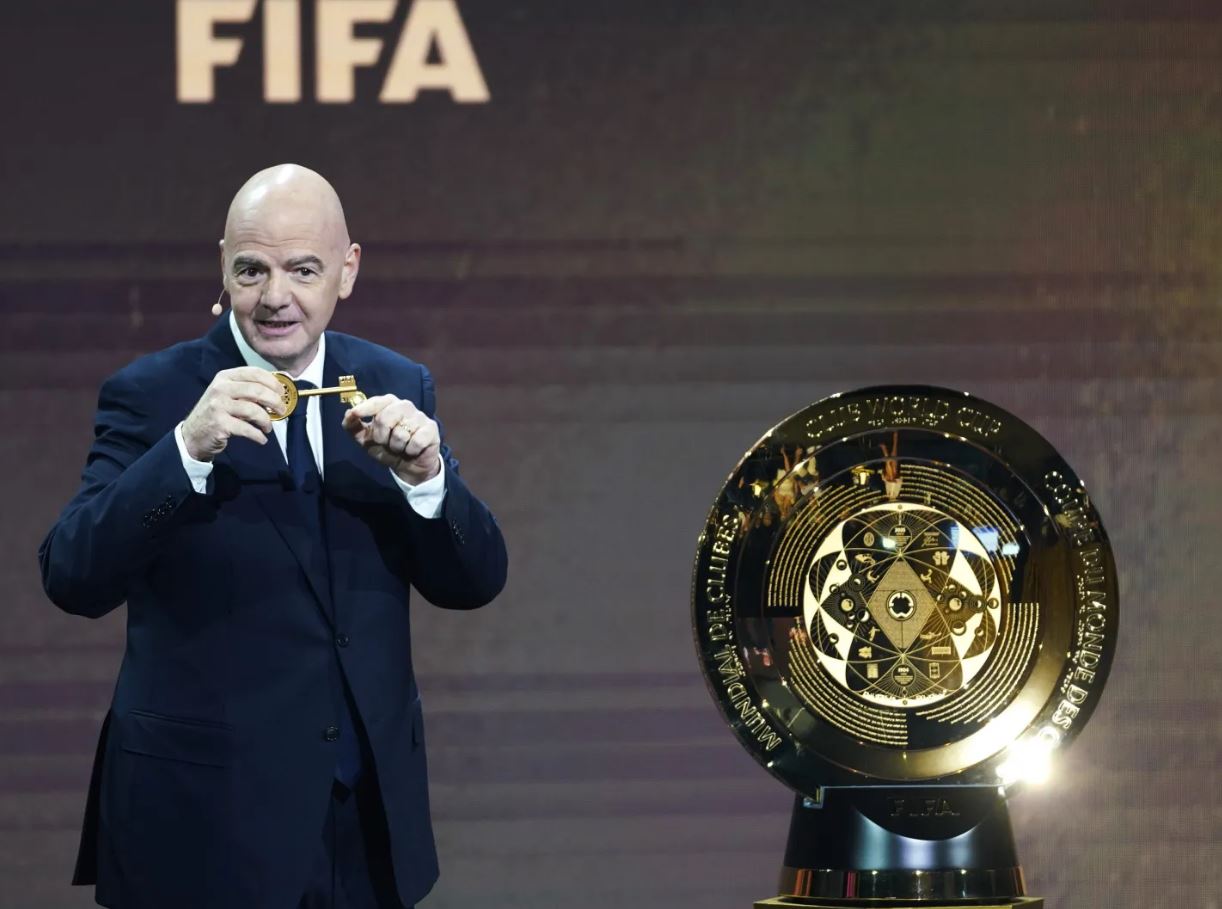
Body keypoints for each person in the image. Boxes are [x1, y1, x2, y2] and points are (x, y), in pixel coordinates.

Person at [38, 164, 508, 909]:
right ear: (223, 266)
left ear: (348, 270)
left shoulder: (395, 383)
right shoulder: (153, 394)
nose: (275, 296)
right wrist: (184, 450)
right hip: (202, 830)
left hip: (364, 830)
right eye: (252, 270)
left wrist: (427, 481)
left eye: (303, 269)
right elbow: (72, 575)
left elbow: (474, 581)